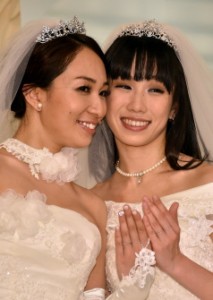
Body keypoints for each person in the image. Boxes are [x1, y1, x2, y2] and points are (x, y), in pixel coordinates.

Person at [0, 17, 155, 299]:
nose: (99, 108)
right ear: (35, 95)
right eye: (84, 89)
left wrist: (134, 284)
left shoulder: (93, 207)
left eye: (104, 93)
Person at [89, 20, 213, 299]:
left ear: (175, 107)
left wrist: (176, 263)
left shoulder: (208, 186)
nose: (137, 105)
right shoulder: (89, 203)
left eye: (155, 89)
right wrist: (128, 286)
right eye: (124, 86)